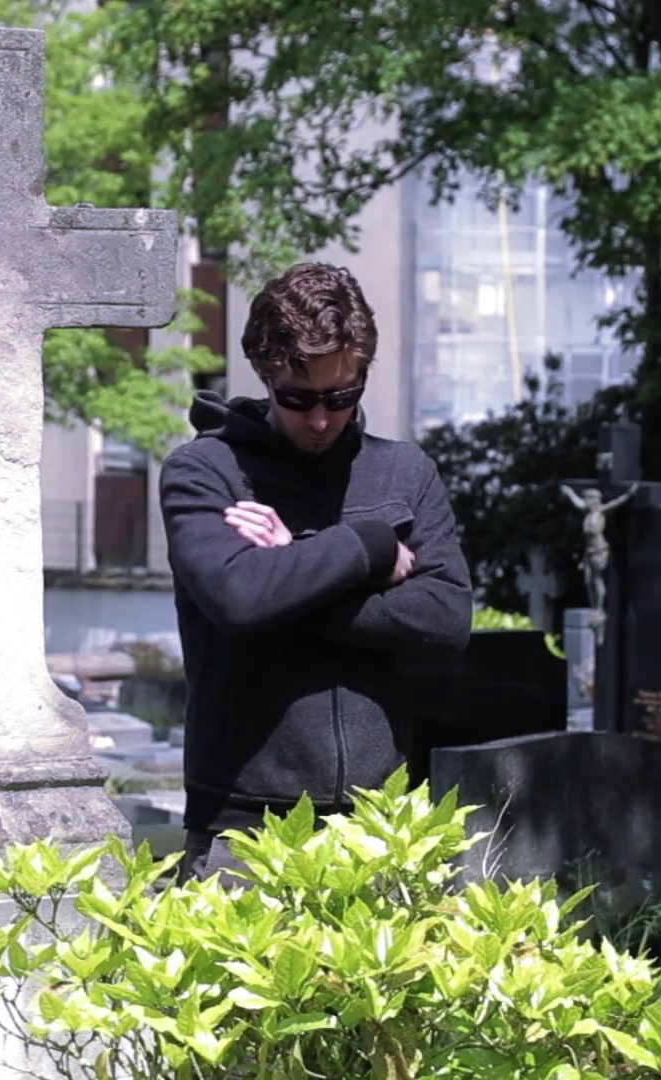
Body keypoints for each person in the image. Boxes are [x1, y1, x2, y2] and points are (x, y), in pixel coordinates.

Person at [158, 262, 473, 882]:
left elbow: (446, 617)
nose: (322, 419)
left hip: (381, 825)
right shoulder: (206, 472)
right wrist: (370, 548)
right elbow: (239, 596)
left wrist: (297, 560)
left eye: (341, 397)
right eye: (298, 399)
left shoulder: (405, 472)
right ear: (266, 374)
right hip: (244, 827)